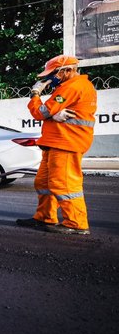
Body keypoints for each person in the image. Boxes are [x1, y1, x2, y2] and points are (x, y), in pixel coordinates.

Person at [16, 55, 97, 235]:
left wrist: (35, 94)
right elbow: (51, 113)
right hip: (57, 141)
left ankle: (76, 223)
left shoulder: (72, 87)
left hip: (67, 142)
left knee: (65, 184)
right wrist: (53, 116)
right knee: (43, 182)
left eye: (54, 73)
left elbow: (40, 113)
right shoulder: (71, 86)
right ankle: (44, 217)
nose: (51, 78)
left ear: (68, 70)